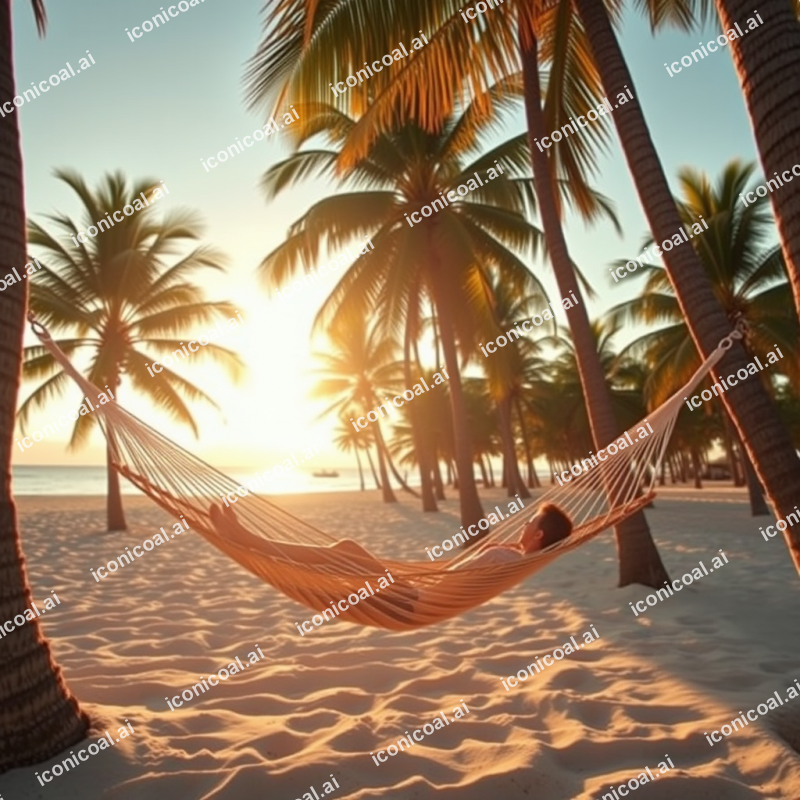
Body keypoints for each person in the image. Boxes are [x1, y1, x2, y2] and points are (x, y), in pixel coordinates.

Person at [458, 503, 573, 568]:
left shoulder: (497, 555)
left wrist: (491, 550)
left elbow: (448, 578)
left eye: (529, 523)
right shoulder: (525, 562)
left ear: (538, 535)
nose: (524, 524)